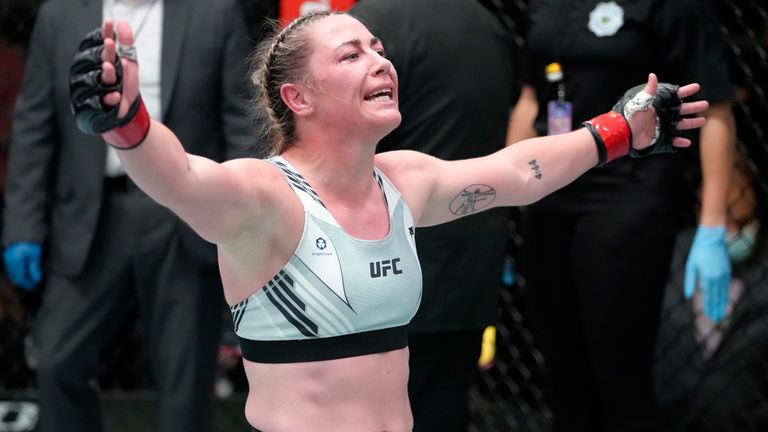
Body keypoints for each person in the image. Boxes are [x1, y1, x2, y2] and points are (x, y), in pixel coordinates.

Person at [70, 11, 708, 432]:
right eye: (352, 55)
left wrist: (621, 130)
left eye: (379, 48)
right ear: (299, 97)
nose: (380, 61)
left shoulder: (403, 179)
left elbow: (519, 171)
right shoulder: (266, 196)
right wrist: (125, 123)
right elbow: (179, 177)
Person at [1, 0, 255, 431]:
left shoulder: (213, 12)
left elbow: (241, 119)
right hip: (94, 212)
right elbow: (34, 122)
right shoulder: (60, 14)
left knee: (186, 374)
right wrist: (23, 224)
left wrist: (245, 219)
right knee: (57, 357)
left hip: (185, 213)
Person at [505, 0, 736, 430]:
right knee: (562, 370)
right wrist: (500, 199)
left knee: (619, 372)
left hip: (628, 194)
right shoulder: (543, 6)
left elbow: (716, 110)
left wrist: (712, 224)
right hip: (551, 192)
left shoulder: (670, 8)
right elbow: (531, 97)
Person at [347, 1, 517, 430]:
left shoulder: (370, 25)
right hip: (470, 246)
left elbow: (344, 141)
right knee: (444, 401)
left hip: (391, 258)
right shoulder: (486, 22)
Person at [654, 149, 768, 431]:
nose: (730, 231)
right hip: (670, 414)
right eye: (722, 219)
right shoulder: (672, 253)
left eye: (738, 222)